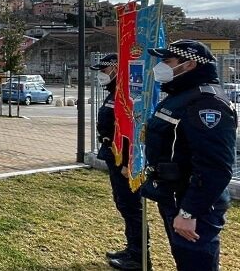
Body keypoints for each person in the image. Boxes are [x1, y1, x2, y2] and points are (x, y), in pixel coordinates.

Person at [141, 39, 236, 271]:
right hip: (174, 195)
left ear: (190, 64)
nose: (161, 66)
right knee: (185, 259)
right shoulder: (182, 95)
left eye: (167, 61)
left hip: (193, 204)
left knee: (196, 263)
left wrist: (189, 211)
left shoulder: (206, 103)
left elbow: (215, 166)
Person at [91, 54, 147, 270]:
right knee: (124, 205)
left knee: (132, 208)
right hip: (113, 156)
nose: (101, 75)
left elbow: (130, 132)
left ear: (115, 69)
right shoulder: (114, 93)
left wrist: (127, 163)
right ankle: (132, 249)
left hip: (124, 162)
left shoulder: (126, 95)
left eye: (104, 71)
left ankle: (139, 257)